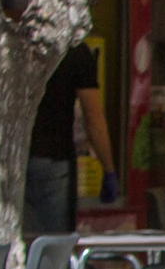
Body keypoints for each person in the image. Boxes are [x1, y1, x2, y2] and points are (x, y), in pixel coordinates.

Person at [26, 41, 117, 234]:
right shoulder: (74, 51)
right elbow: (94, 119)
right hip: (54, 161)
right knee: (55, 246)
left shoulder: (15, 43)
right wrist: (108, 168)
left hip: (14, 159)